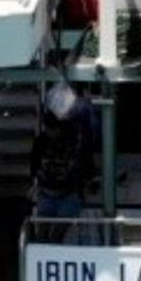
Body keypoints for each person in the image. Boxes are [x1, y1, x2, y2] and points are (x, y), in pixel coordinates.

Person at [31, 83, 92, 235]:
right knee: (42, 236)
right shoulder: (42, 141)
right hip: (47, 194)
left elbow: (85, 164)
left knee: (58, 235)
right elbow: (34, 164)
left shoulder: (76, 139)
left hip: (68, 195)